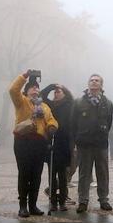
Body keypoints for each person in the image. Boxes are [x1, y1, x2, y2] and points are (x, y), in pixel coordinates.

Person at [10, 71, 58, 218]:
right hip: (23, 142)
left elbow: (51, 119)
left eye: (37, 88)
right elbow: (13, 90)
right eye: (32, 87)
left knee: (36, 175)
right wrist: (24, 76)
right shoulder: (22, 101)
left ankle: (33, 205)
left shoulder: (44, 106)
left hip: (39, 143)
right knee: (24, 174)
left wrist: (51, 126)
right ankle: (22, 206)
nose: (35, 90)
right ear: (26, 90)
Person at [71, 74, 113, 213]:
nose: (94, 82)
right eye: (92, 80)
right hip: (84, 143)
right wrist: (75, 140)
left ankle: (104, 200)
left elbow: (108, 122)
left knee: (102, 172)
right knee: (84, 174)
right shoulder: (78, 102)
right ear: (88, 83)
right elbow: (73, 122)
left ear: (101, 85)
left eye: (97, 81)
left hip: (100, 143)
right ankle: (83, 201)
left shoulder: (107, 103)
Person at [40, 83, 73, 212]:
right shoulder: (49, 105)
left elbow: (70, 97)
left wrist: (63, 87)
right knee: (52, 173)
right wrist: (52, 86)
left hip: (64, 143)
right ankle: (53, 200)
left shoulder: (69, 104)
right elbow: (42, 95)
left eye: (59, 92)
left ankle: (62, 200)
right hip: (52, 142)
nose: (56, 93)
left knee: (63, 175)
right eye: (55, 92)